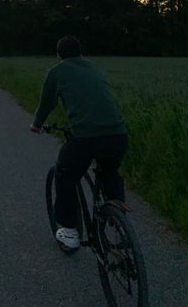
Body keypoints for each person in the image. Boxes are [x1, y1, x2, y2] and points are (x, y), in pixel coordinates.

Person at [30, 36, 128, 252]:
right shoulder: (95, 68)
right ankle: (117, 213)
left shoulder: (57, 71)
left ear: (59, 55)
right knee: (109, 169)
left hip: (85, 138)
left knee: (64, 176)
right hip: (118, 134)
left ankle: (69, 232)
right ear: (81, 53)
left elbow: (46, 104)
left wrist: (36, 124)